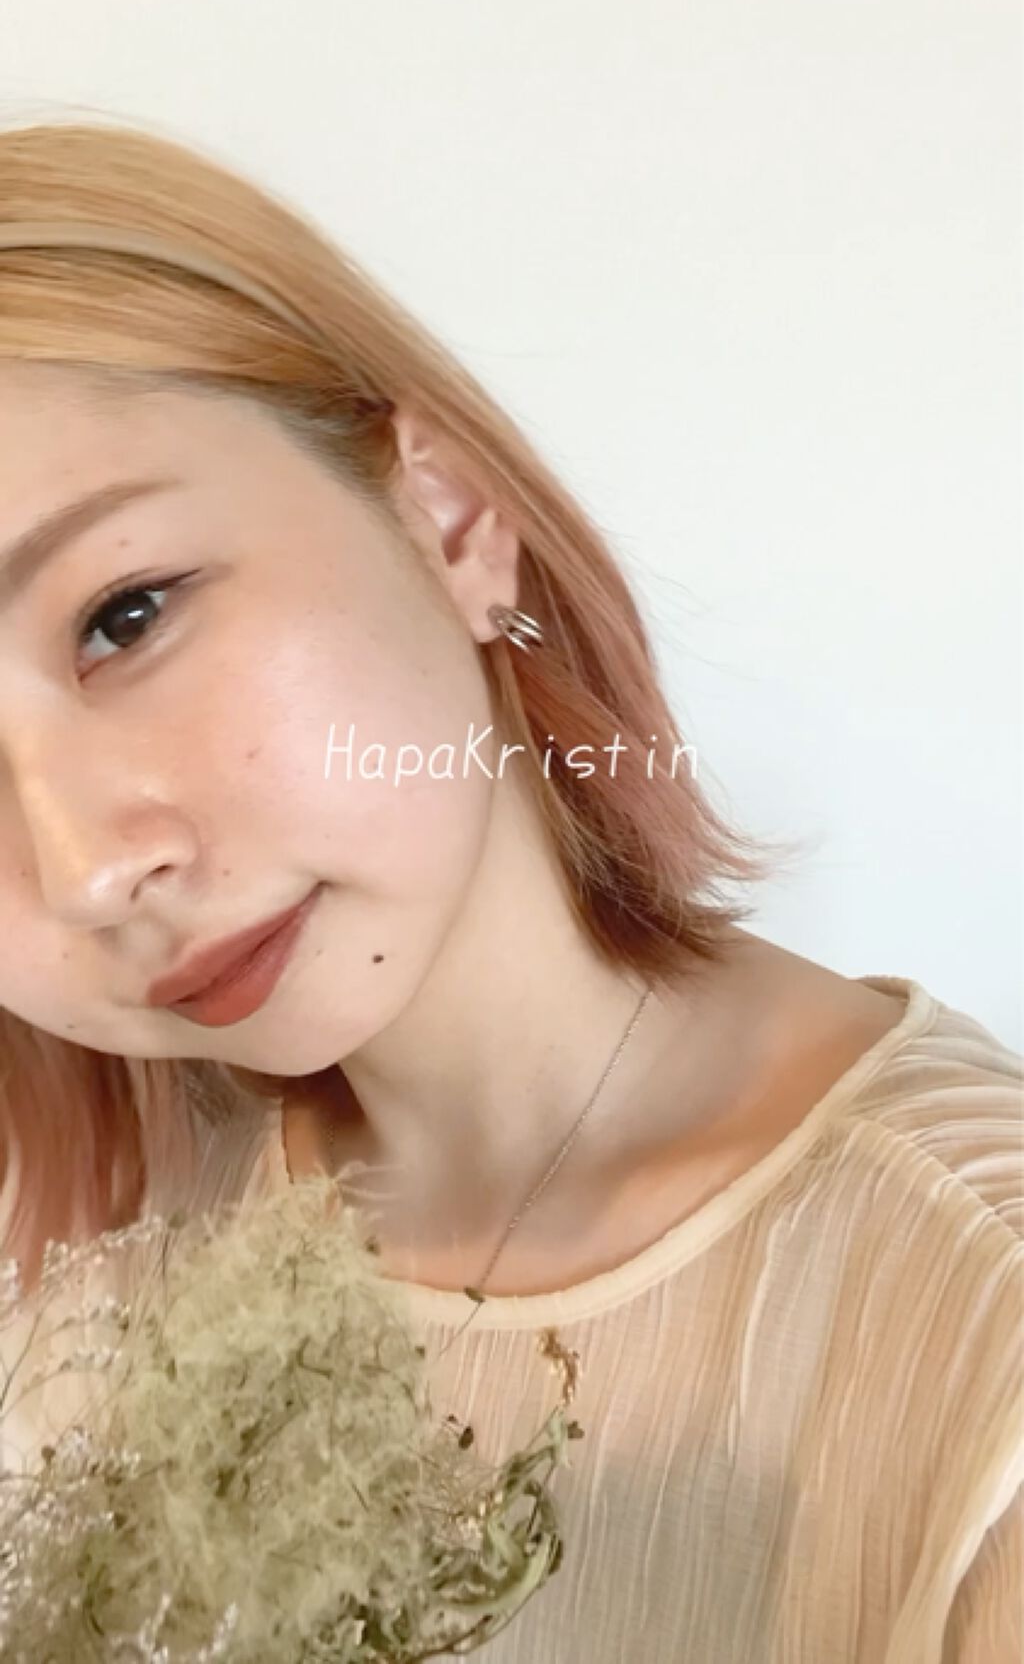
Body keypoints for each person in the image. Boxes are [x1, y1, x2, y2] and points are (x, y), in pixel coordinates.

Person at [0, 119, 1019, 1662]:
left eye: (123, 618)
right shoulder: (84, 1232)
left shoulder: (975, 1334)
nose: (88, 871)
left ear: (451, 516)